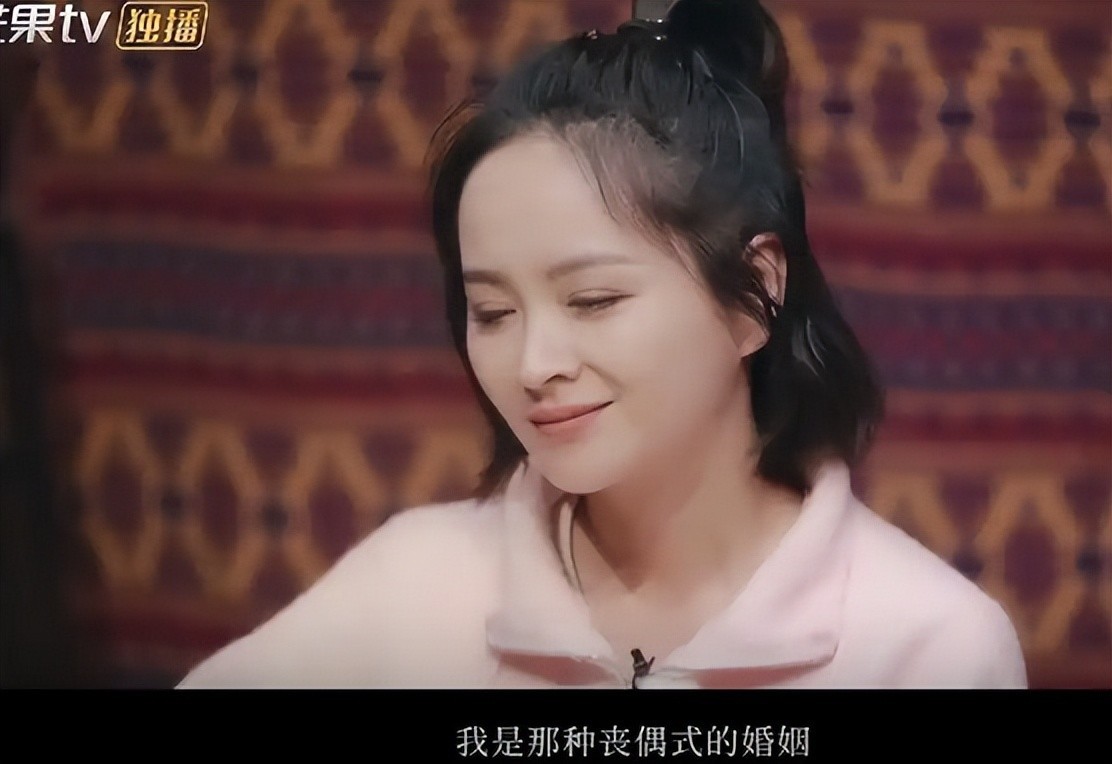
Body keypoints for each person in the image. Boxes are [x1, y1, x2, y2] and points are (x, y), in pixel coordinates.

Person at [179, 0, 1026, 689]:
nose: (533, 365)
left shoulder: (924, 645)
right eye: (492, 311)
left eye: (593, 300)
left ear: (757, 290)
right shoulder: (413, 586)